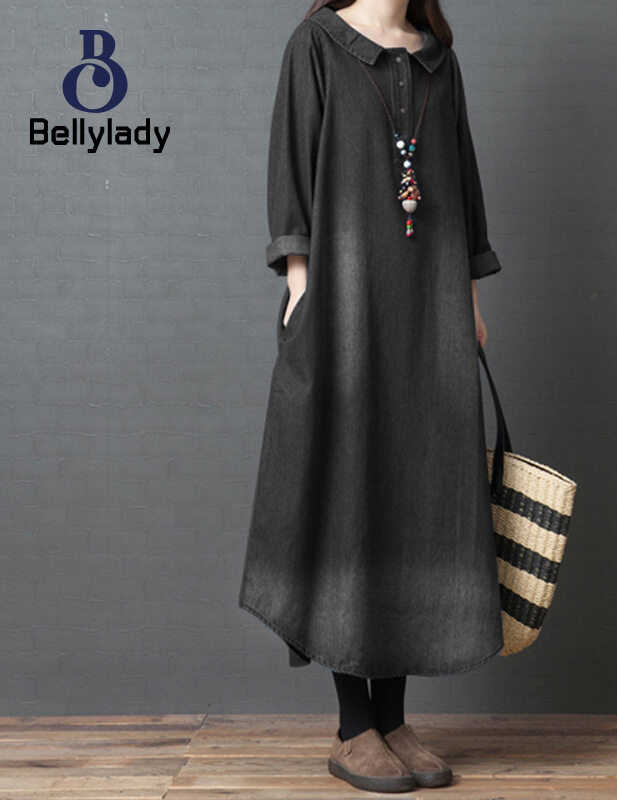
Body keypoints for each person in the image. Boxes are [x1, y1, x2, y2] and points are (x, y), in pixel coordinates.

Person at [238, 0, 505, 791]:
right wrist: (300, 286)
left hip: (430, 307)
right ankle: (354, 725)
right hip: (346, 301)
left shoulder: (437, 59)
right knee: (349, 488)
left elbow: (461, 183)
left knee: (418, 495)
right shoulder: (317, 46)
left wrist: (469, 301)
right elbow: (293, 161)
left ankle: (393, 719)